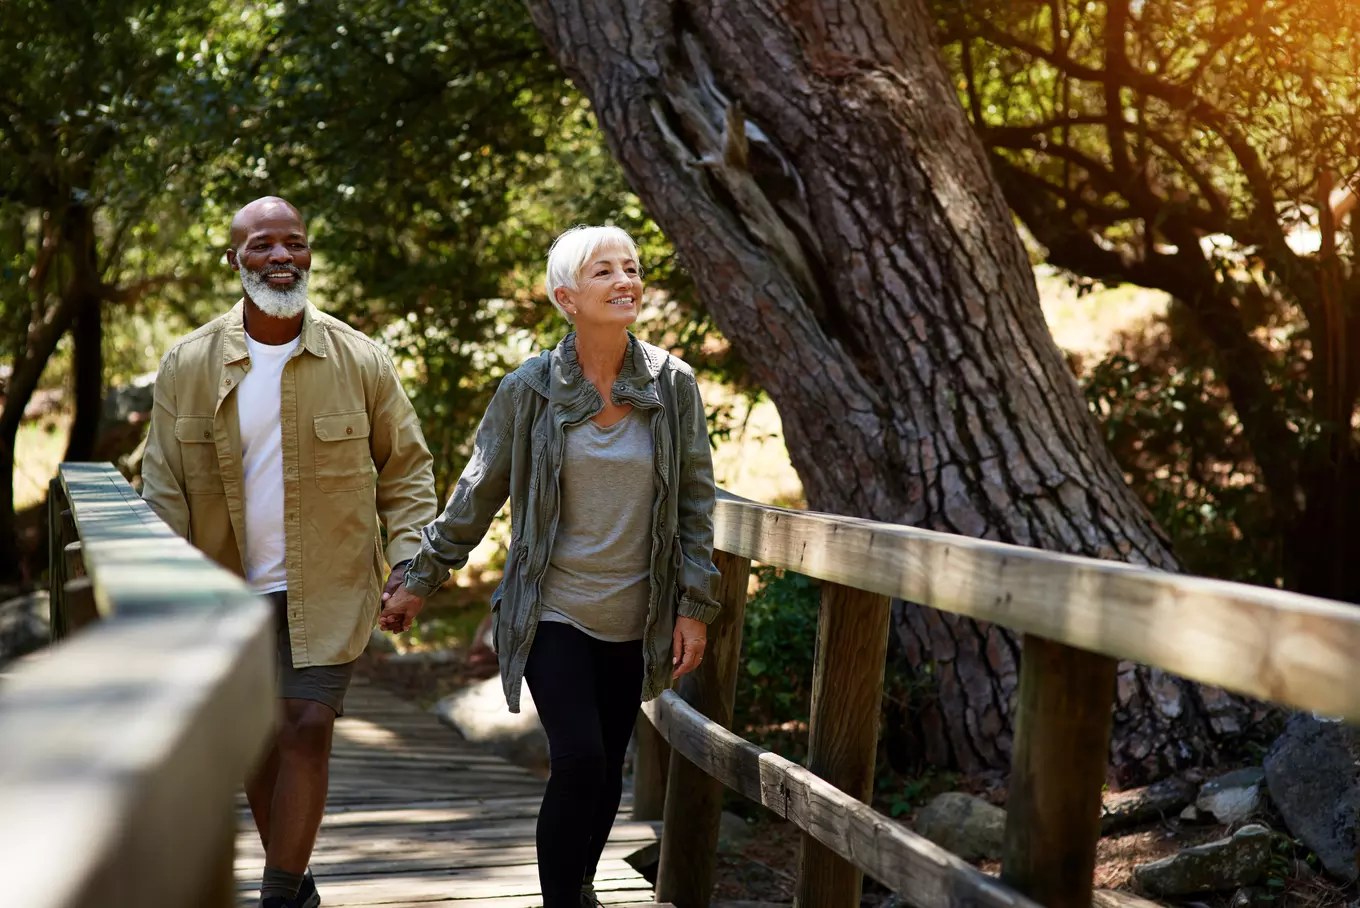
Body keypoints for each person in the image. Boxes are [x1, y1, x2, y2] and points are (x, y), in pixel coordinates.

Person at [382, 225, 722, 908]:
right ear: (567, 296)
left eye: (631, 267)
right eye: (605, 272)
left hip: (638, 614)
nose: (626, 280)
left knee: (607, 772)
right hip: (552, 610)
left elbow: (694, 502)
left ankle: (581, 885)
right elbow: (474, 495)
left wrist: (693, 605)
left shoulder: (672, 384)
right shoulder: (529, 389)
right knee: (579, 760)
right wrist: (421, 580)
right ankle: (561, 900)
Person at [141, 196, 437, 908]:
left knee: (305, 729)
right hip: (223, 587)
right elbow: (162, 485)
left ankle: (276, 898)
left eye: (294, 244)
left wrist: (411, 567)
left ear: (308, 255)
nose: (282, 257)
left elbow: (408, 470)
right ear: (235, 260)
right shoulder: (189, 364)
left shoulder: (359, 358)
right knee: (260, 743)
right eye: (263, 246)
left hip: (329, 583)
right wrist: (163, 593)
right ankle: (296, 883)